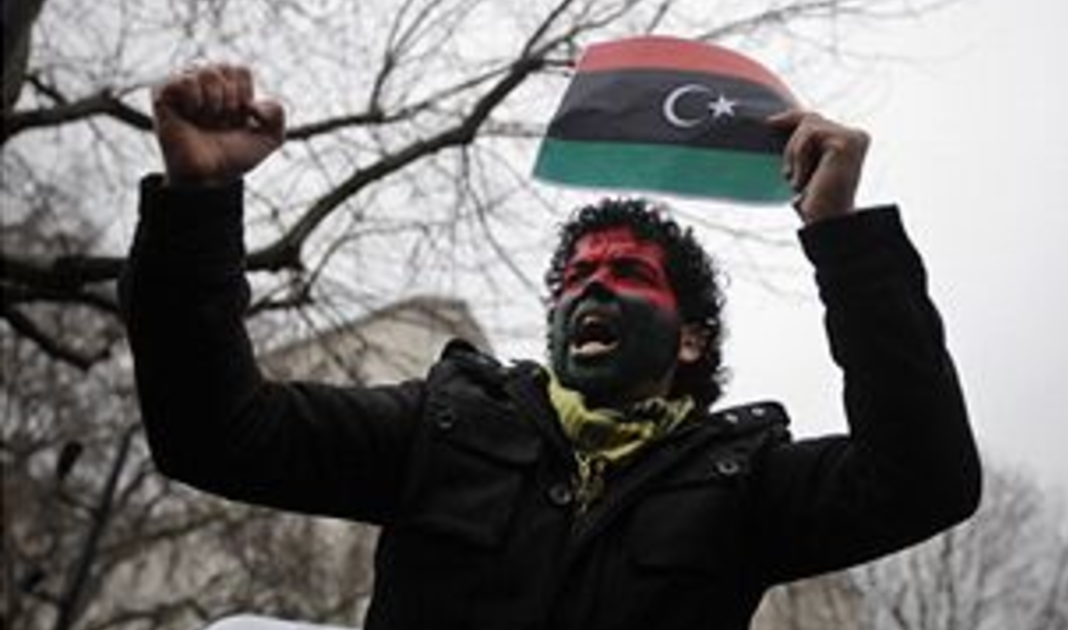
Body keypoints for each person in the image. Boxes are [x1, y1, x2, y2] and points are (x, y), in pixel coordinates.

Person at [121, 63, 981, 630]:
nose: (591, 288)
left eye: (627, 273)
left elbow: (926, 482)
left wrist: (842, 237)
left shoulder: (745, 482)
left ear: (690, 339)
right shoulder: (446, 425)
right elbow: (213, 434)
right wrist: (198, 198)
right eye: (575, 276)